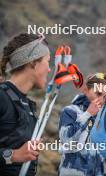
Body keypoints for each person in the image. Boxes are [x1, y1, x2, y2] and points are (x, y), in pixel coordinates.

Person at [0, 33, 50, 176]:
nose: (49, 69)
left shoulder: (27, 104)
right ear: (33, 62)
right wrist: (13, 155)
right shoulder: (2, 97)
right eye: (47, 61)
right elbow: (14, 155)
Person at [58, 73, 106, 176]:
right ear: (85, 90)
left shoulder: (104, 118)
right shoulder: (70, 111)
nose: (101, 100)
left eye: (105, 97)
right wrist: (88, 114)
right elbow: (66, 140)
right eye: (98, 94)